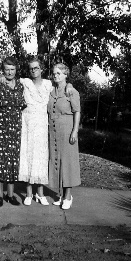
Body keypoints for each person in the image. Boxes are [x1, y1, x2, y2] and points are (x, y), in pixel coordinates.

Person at [0, 56, 27, 207]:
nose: (9, 72)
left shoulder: (21, 86)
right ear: (3, 70)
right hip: (0, 129)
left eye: (12, 69)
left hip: (15, 130)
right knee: (0, 161)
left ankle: (11, 195)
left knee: (13, 162)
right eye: (7, 69)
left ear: (16, 70)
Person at [18, 58, 53, 206]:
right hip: (27, 126)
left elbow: (63, 86)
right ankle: (28, 193)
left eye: (36, 68)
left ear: (41, 69)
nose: (33, 70)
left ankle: (40, 194)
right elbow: (10, 79)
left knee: (40, 159)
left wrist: (69, 84)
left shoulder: (48, 84)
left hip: (42, 127)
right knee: (28, 157)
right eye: (31, 68)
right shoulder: (25, 82)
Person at [48, 63, 81, 210]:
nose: (56, 76)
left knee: (67, 162)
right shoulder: (51, 90)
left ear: (65, 75)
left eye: (59, 73)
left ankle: (68, 196)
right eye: (54, 73)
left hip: (67, 128)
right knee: (57, 161)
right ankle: (61, 194)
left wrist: (75, 131)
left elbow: (77, 112)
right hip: (53, 130)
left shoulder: (72, 91)